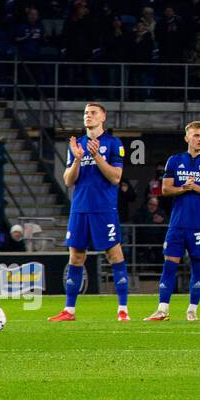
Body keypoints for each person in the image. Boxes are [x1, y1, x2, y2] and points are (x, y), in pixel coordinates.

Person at [49, 103, 131, 322]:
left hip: (104, 208)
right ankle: (69, 310)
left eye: (93, 112)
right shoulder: (77, 144)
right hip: (80, 208)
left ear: (103, 116)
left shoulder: (114, 143)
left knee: (114, 255)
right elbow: (68, 180)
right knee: (75, 257)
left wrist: (97, 157)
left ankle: (123, 310)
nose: (88, 116)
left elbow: (115, 177)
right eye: (86, 113)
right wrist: (77, 159)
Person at [146, 121, 200, 322]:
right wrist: (183, 189)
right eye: (196, 135)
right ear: (187, 137)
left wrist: (196, 186)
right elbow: (165, 189)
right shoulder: (175, 160)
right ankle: (162, 309)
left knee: (198, 264)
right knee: (169, 264)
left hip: (199, 223)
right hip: (177, 223)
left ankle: (192, 310)